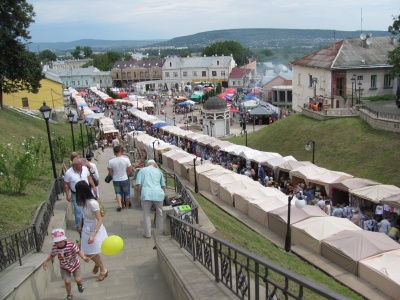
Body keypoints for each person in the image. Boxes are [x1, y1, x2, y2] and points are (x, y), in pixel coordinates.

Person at [43, 229, 90, 300]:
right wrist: (46, 261)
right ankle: (69, 295)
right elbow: (52, 255)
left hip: (75, 265)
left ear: (64, 240)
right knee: (67, 282)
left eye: (60, 242)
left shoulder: (70, 244)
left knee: (77, 279)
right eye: (56, 242)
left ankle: (79, 284)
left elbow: (78, 252)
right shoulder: (55, 248)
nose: (58, 244)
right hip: (64, 267)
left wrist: (84, 258)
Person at [75, 181, 109, 282]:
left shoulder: (92, 203)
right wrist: (80, 226)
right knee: (87, 250)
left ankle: (103, 270)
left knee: (91, 251)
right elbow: (83, 215)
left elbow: (99, 220)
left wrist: (93, 235)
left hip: (95, 228)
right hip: (86, 227)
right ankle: (97, 264)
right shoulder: (83, 202)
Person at [64, 157, 98, 230]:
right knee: (78, 210)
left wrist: (94, 187)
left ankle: (87, 223)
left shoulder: (85, 169)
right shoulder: (69, 173)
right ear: (75, 165)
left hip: (86, 192)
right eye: (79, 164)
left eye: (82, 163)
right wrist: (67, 194)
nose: (81, 165)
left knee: (88, 208)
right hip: (76, 194)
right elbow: (66, 184)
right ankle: (79, 227)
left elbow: (89, 178)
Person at [135, 160, 166, 239]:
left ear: (147, 164)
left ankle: (147, 233)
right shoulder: (159, 172)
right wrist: (164, 194)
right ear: (155, 165)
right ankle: (159, 231)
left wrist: (139, 195)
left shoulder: (142, 171)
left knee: (146, 214)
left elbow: (139, 186)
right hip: (158, 194)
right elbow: (163, 185)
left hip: (146, 194)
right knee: (160, 213)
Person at [108, 145, 133, 211]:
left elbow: (110, 173)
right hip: (124, 178)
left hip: (116, 179)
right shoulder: (126, 159)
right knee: (127, 193)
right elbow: (130, 169)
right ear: (121, 151)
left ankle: (120, 205)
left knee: (118, 193)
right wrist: (128, 175)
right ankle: (127, 206)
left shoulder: (111, 161)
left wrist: (113, 176)